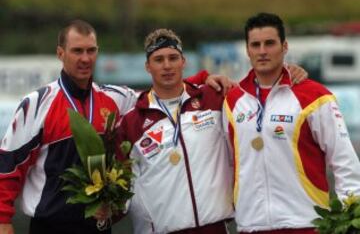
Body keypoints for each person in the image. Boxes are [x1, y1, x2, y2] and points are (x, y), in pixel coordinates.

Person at [0, 20, 231, 234]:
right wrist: (3, 220)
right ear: (60, 53)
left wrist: (202, 79)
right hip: (51, 225)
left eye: (91, 51)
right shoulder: (37, 103)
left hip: (99, 225)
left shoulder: (117, 99)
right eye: (77, 51)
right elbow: (8, 164)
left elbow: (163, 92)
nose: (85, 58)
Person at [223, 12, 360, 233]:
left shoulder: (315, 96)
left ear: (284, 46)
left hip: (306, 222)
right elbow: (228, 163)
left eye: (270, 43)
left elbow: (343, 159)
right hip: (251, 224)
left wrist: (351, 215)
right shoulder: (232, 101)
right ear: (247, 50)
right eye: (255, 45)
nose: (263, 51)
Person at [116, 28, 234, 234]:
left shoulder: (213, 98)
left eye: (173, 58)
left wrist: (290, 72)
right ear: (147, 66)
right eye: (159, 60)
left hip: (215, 227)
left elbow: (257, 95)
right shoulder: (132, 122)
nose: (167, 65)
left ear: (183, 61)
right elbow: (120, 185)